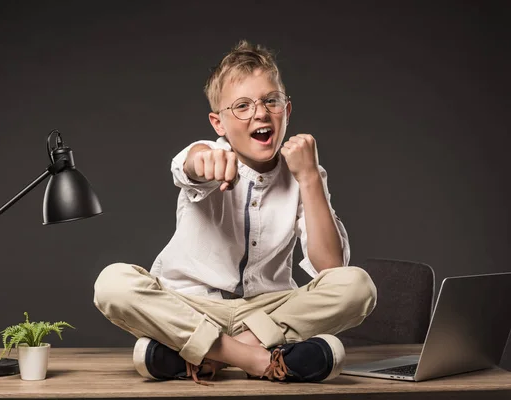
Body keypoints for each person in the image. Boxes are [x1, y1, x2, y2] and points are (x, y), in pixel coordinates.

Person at [94, 40, 377, 385]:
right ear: (219, 123)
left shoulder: (303, 173)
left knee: (358, 286)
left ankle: (208, 355)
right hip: (192, 306)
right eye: (242, 106)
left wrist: (309, 177)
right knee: (112, 283)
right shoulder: (211, 154)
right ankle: (259, 358)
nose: (260, 113)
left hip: (268, 311)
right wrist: (205, 160)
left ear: (286, 110)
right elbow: (190, 164)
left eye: (270, 101)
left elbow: (330, 268)